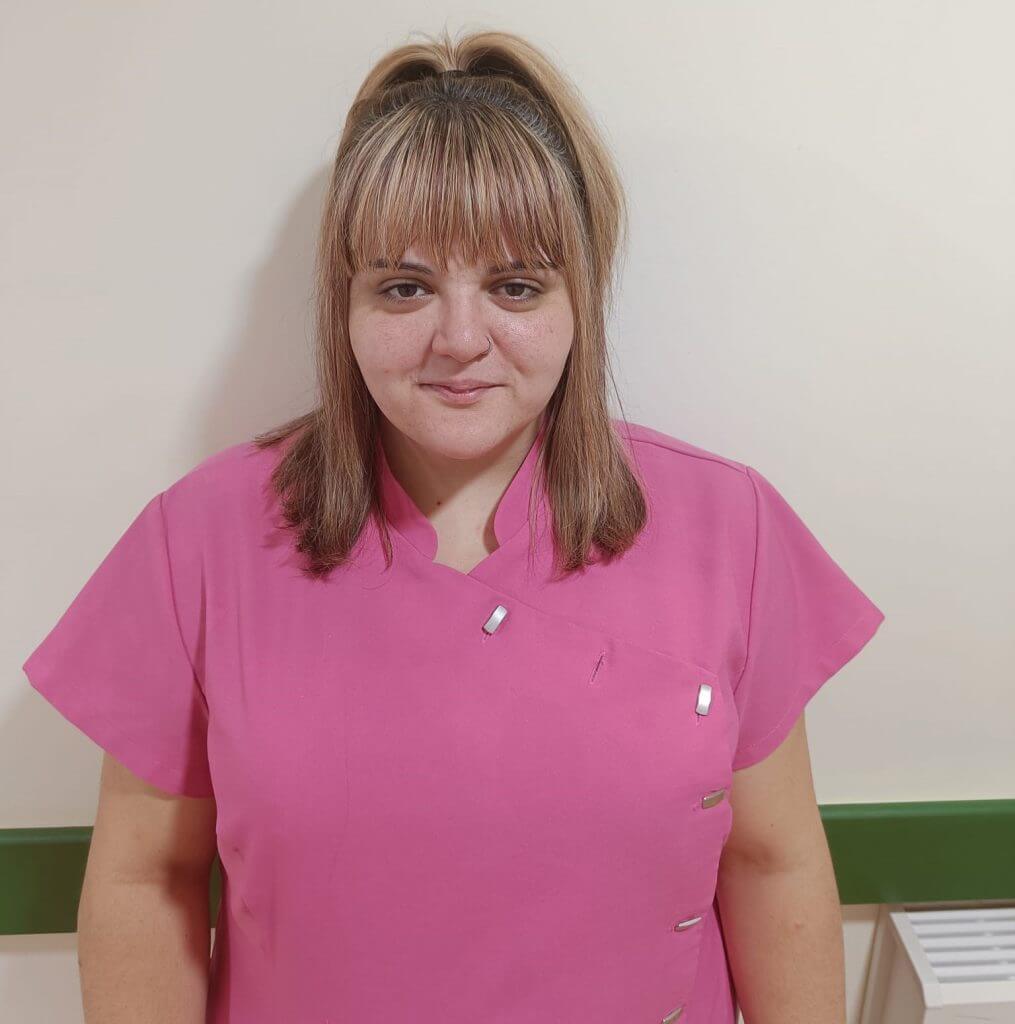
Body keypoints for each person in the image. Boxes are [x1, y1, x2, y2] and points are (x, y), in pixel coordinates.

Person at [20, 27, 885, 1024]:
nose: (460, 339)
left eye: (515, 285)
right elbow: (143, 880)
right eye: (404, 286)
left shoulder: (729, 532)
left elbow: (772, 861)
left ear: (582, 298)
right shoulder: (199, 544)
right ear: (343, 300)